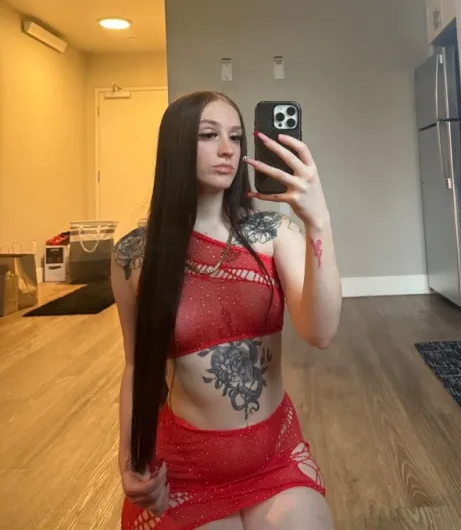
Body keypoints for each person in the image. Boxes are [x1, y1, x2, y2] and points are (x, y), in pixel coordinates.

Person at [111, 91, 342, 530]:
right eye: (208, 135)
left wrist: (319, 221)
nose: (227, 150)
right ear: (176, 145)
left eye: (235, 137)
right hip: (184, 469)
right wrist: (129, 459)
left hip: (274, 456)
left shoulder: (275, 234)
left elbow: (321, 332)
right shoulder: (135, 256)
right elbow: (135, 367)